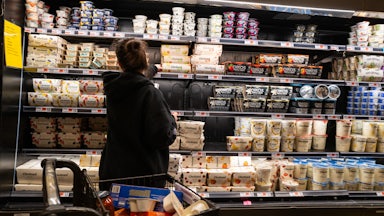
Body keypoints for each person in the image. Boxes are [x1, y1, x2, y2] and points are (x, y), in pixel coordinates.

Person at [99, 38, 177, 190]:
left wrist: (151, 70)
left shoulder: (114, 90)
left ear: (119, 64)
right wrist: (172, 121)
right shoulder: (150, 93)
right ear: (144, 61)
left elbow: (133, 80)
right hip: (143, 177)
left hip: (114, 172)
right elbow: (162, 137)